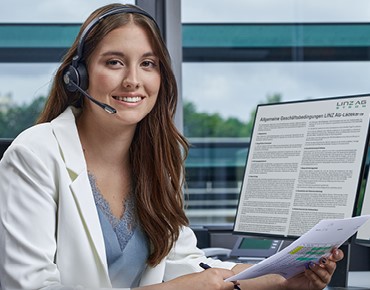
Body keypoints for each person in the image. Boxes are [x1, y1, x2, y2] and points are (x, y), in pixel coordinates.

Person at [0, 3, 343, 290]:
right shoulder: (35, 155)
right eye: (114, 62)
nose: (133, 79)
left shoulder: (159, 163)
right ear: (80, 75)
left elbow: (188, 269)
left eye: (147, 64)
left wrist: (283, 282)